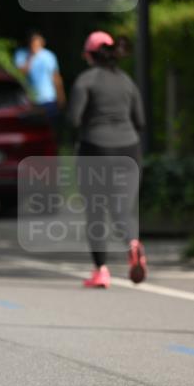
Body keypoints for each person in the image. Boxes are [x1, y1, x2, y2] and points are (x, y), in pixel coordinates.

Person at [67, 31, 147, 288]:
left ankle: (101, 270)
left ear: (89, 55)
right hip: (129, 151)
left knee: (96, 210)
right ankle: (133, 245)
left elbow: (73, 120)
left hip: (95, 149)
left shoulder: (86, 80)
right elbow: (141, 122)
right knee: (122, 207)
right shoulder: (127, 82)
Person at [13, 30, 66, 130]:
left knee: (50, 128)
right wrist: (31, 56)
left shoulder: (49, 56)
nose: (35, 46)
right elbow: (20, 74)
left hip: (48, 99)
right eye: (33, 44)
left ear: (42, 43)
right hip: (29, 100)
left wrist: (61, 97)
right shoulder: (21, 54)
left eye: (38, 44)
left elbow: (56, 78)